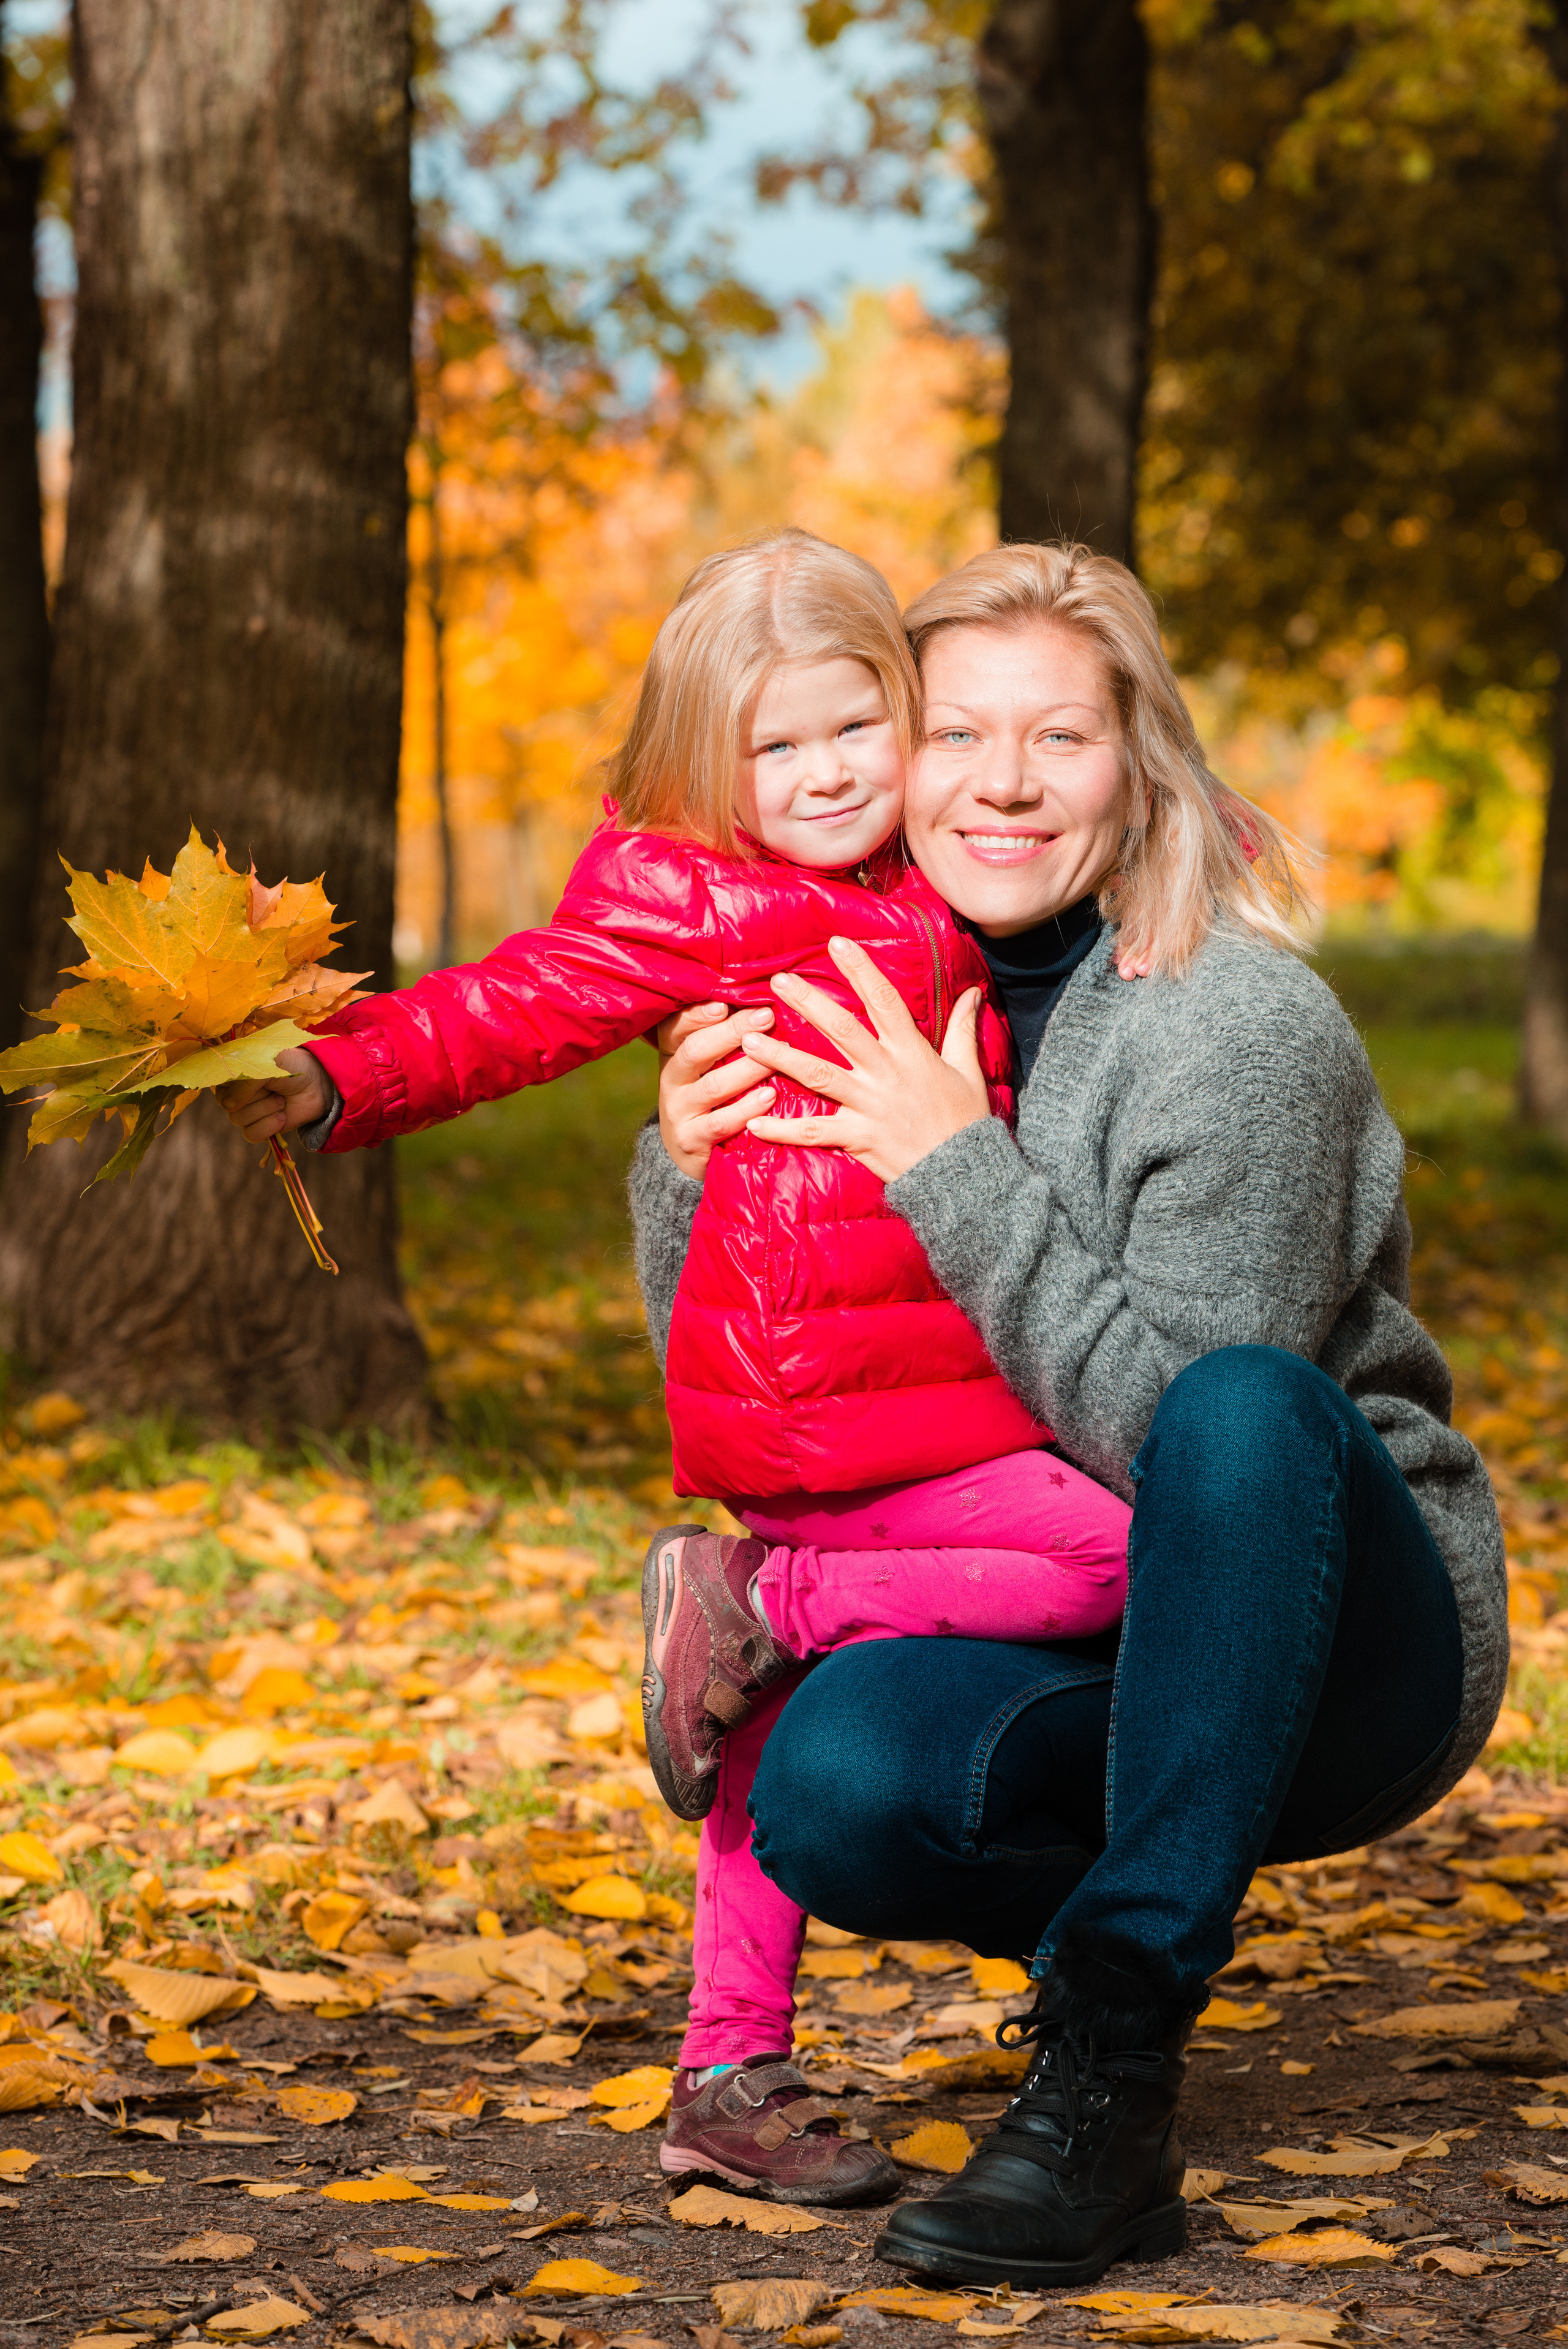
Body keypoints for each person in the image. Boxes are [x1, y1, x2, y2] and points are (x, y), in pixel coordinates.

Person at [219, 527, 1134, 2206]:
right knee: (1115, 1556)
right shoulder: (687, 897)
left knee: (753, 1726)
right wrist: (340, 1078)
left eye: (856, 726)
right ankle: (766, 1598)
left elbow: (1082, 828)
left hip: (907, 1373)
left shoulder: (920, 862)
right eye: (776, 746)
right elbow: (512, 1005)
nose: (826, 772)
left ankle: (723, 2074)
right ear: (710, 765)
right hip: (808, 1386)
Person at [631, 540, 1507, 2287]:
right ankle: (1103, 1932)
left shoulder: (1235, 1028)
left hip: (1336, 1633)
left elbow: (1191, 1455)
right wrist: (686, 1161)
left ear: (1138, 764)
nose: (1004, 785)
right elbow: (768, 1405)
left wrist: (956, 1169)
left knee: (1240, 1403)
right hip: (1043, 1608)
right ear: (894, 756)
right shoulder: (846, 990)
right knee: (835, 1782)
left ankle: (1110, 2066)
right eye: (956, 734)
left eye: (1061, 737)